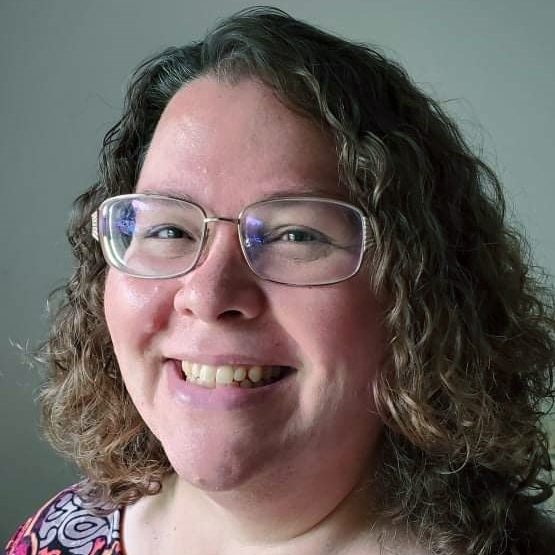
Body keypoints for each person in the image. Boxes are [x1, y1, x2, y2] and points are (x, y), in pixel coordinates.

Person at [5, 6, 554, 555]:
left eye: (296, 237)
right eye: (169, 228)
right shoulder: (60, 534)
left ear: (417, 293)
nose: (209, 295)